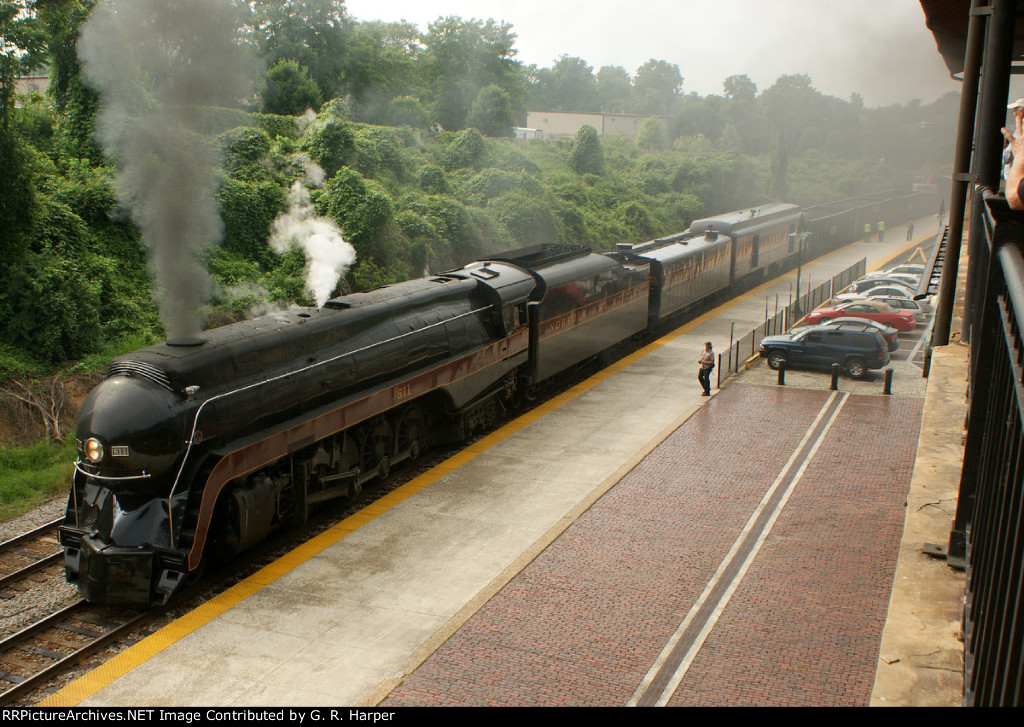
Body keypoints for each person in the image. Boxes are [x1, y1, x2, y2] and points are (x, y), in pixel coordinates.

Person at [1002, 99, 1024, 210]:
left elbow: (1014, 199)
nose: (1014, 114)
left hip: (1017, 185)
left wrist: (1019, 158)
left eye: (1015, 111)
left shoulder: (1020, 133)